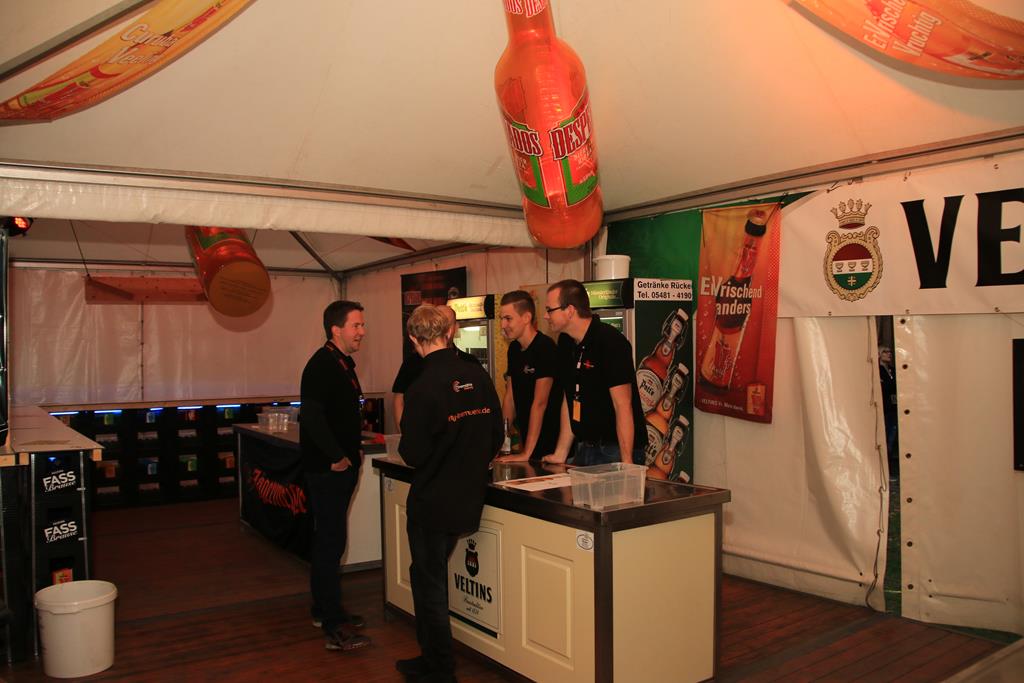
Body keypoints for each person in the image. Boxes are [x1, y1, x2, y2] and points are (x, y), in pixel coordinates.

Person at [396, 305, 503, 682]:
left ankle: (439, 668)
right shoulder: (477, 374)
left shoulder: (422, 386)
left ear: (414, 339)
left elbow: (412, 452)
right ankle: (432, 660)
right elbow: (496, 434)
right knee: (430, 576)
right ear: (450, 332)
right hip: (468, 497)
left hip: (432, 502)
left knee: (429, 586)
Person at [299, 300, 371, 652]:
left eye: (362, 325)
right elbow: (312, 418)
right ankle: (333, 625)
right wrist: (337, 457)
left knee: (330, 541)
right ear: (336, 329)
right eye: (356, 325)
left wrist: (353, 449)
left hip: (342, 466)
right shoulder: (321, 365)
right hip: (328, 471)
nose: (362, 331)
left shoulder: (342, 363)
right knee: (330, 543)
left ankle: (325, 608)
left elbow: (342, 413)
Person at [541, 279, 647, 466]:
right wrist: (561, 453)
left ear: (570, 310)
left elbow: (623, 405)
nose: (545, 316)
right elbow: (570, 399)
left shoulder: (610, 342)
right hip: (585, 447)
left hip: (614, 450)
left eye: (550, 310)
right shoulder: (565, 342)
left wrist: (627, 464)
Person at [494, 290, 561, 463]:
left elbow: (540, 403)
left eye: (508, 318)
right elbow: (510, 398)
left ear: (526, 318)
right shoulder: (514, 349)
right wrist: (499, 443)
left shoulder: (545, 348)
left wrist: (526, 453)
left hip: (552, 444)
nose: (502, 325)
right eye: (501, 318)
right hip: (529, 441)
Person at [391, 304, 478, 430]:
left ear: (455, 328)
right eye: (438, 323)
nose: (441, 329)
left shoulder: (471, 363)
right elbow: (399, 401)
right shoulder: (412, 364)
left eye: (446, 323)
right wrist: (403, 433)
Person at [879, 344, 899, 475]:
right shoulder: (878, 370)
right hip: (884, 408)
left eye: (890, 352)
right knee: (886, 438)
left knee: (892, 437)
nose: (889, 354)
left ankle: (890, 468)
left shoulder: (893, 370)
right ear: (879, 354)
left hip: (894, 408)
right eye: (885, 352)